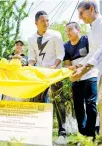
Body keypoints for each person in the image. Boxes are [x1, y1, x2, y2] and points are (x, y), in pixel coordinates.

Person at [71, 0, 102, 142]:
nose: (80, 17)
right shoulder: (91, 30)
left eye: (82, 13)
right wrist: (78, 66)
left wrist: (85, 69)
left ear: (91, 9)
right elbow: (92, 53)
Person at [27, 11, 67, 144]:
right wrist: (30, 68)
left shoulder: (56, 35)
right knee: (37, 101)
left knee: (58, 101)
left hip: (54, 73)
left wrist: (54, 66)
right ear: (36, 23)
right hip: (39, 75)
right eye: (43, 21)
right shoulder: (31, 38)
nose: (46, 23)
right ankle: (39, 131)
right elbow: (31, 58)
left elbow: (60, 54)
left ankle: (62, 133)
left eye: (48, 20)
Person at [64, 22, 98, 137]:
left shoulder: (87, 40)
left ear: (78, 30)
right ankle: (82, 135)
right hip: (76, 80)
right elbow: (67, 64)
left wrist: (82, 69)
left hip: (90, 76)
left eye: (70, 30)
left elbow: (93, 56)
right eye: (66, 31)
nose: (67, 33)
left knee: (91, 105)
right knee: (78, 108)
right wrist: (71, 72)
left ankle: (91, 134)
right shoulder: (66, 46)